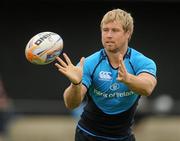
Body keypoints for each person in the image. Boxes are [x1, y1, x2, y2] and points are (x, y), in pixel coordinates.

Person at [55, 8, 157, 141]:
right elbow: (71, 104)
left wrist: (128, 79)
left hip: (123, 137)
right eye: (105, 30)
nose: (108, 35)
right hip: (88, 135)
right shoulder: (89, 63)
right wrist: (76, 84)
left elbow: (147, 87)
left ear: (128, 33)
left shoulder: (142, 62)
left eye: (115, 30)